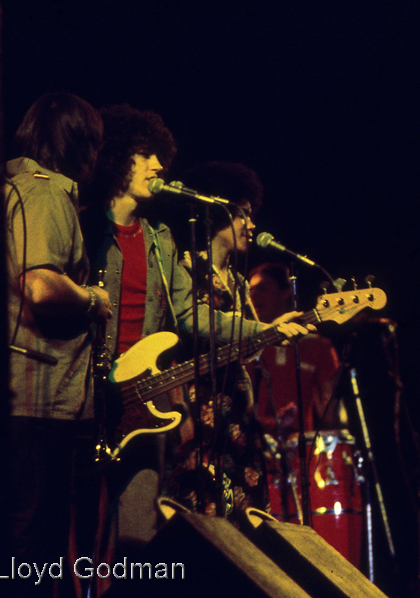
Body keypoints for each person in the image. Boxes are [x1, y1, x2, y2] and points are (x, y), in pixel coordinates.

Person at [82, 107, 311, 555]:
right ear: (115, 157)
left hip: (142, 411)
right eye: (145, 155)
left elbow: (192, 316)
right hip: (82, 402)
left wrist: (265, 329)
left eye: (159, 157)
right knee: (71, 534)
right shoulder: (86, 225)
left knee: (135, 539)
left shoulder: (160, 240)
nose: (158, 166)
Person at [4, 92, 112, 597]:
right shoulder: (46, 193)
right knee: (37, 543)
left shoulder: (15, 185)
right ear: (80, 144)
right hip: (42, 398)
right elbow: (41, 283)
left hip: (27, 396)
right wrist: (93, 298)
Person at [161, 161, 296, 523]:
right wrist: (261, 330)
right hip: (198, 404)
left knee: (240, 514)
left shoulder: (237, 281)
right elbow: (195, 325)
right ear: (219, 214)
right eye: (243, 215)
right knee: (199, 513)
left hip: (237, 410)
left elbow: (251, 343)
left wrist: (279, 330)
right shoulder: (186, 267)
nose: (251, 226)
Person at [248, 262, 343, 436]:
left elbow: (331, 416)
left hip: (299, 453)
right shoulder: (245, 344)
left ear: (286, 292)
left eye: (262, 288)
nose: (253, 295)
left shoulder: (319, 346)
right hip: (250, 448)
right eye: (250, 290)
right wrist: (264, 424)